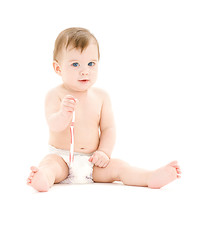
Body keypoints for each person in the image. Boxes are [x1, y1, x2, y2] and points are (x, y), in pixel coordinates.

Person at [27, 27, 181, 192]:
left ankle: (148, 177)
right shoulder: (55, 95)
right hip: (63, 158)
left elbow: (108, 128)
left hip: (93, 162)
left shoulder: (101, 97)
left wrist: (104, 152)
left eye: (91, 63)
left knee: (120, 166)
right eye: (75, 64)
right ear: (58, 68)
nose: (85, 70)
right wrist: (63, 114)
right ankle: (43, 178)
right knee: (50, 164)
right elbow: (54, 124)